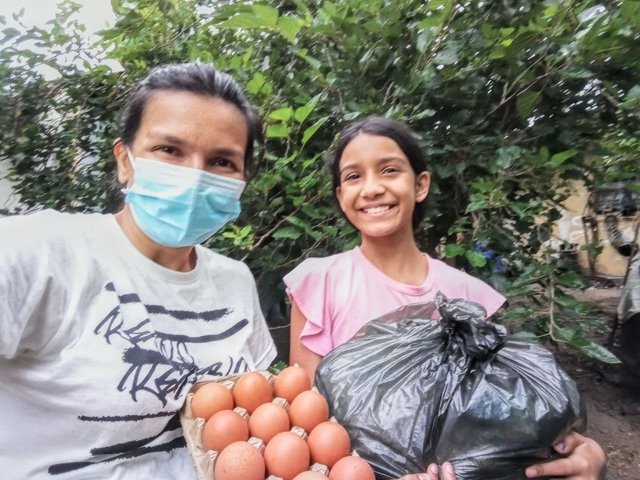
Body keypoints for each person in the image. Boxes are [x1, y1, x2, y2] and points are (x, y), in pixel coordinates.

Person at [284, 116, 607, 480]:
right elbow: (306, 422)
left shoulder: (469, 296)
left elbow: (502, 410)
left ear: (420, 184)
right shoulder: (318, 283)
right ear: (342, 196)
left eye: (389, 170)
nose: (371, 188)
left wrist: (588, 454)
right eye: (353, 176)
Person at [0, 62, 276, 479]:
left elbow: (254, 423)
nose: (194, 177)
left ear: (242, 179)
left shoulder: (235, 281)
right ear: (124, 161)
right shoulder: (38, 253)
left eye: (221, 161)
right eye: (169, 150)